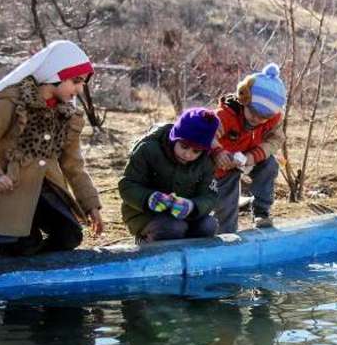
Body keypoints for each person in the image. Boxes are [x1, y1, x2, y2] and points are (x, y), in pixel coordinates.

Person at [0, 40, 103, 257]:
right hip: (8, 190)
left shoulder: (69, 116)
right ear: (54, 76)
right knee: (18, 246)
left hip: (47, 189)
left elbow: (73, 165)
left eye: (82, 83)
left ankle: (37, 272)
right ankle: (1, 254)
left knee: (69, 235)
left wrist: (91, 205)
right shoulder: (12, 103)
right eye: (75, 81)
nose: (79, 89)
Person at [119, 107, 221, 243]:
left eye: (196, 151)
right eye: (184, 147)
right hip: (145, 213)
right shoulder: (148, 149)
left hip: (185, 215)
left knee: (209, 225)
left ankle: (190, 259)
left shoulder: (206, 161)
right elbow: (127, 185)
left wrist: (192, 206)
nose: (188, 154)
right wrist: (149, 198)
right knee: (174, 227)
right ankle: (146, 243)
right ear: (174, 138)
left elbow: (209, 196)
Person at [211, 63, 287, 233]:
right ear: (244, 99)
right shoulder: (225, 116)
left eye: (263, 117)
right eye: (253, 112)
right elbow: (207, 135)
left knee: (269, 165)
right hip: (222, 164)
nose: (256, 119)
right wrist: (218, 152)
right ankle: (226, 235)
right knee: (226, 208)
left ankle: (261, 212)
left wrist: (253, 157)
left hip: (248, 157)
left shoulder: (272, 120)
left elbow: (276, 140)